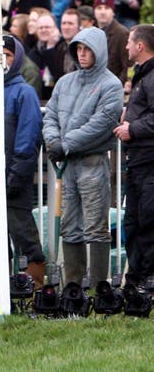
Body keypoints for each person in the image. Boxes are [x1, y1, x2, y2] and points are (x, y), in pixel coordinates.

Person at [43, 26, 123, 288]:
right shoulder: (65, 82)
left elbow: (101, 124)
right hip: (67, 166)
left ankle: (101, 288)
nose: (82, 53)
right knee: (69, 224)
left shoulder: (111, 85)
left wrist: (64, 144)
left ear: (98, 50)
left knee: (96, 225)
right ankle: (73, 287)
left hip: (92, 163)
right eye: (78, 48)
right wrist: (53, 141)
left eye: (87, 48)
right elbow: (51, 115)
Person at [113, 24, 154, 289]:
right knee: (134, 221)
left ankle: (148, 280)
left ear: (140, 46)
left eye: (129, 41)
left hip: (150, 161)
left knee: (149, 221)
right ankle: (136, 280)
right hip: (138, 161)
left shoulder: (151, 77)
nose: (126, 46)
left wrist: (132, 128)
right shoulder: (142, 75)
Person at [3, 34, 45, 287]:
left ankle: (37, 287)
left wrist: (16, 176)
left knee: (24, 233)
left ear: (16, 58)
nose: (3, 60)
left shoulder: (24, 92)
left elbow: (28, 139)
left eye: (8, 56)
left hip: (15, 176)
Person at [28, 11, 68, 101]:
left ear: (55, 28)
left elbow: (59, 74)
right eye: (40, 28)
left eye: (47, 27)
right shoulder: (34, 52)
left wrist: (50, 48)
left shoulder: (64, 47)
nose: (43, 30)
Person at [92, 0, 130, 84]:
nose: (103, 12)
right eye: (99, 8)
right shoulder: (91, 32)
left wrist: (117, 88)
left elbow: (127, 66)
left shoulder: (122, 33)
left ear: (113, 11)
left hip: (112, 87)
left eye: (107, 8)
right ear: (94, 11)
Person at [60, 8, 82, 73]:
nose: (66, 27)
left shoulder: (84, 49)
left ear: (79, 26)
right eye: (64, 23)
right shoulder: (59, 48)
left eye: (70, 23)